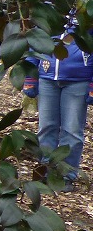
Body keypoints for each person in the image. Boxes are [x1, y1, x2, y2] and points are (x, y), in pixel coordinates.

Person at [22, 15, 93, 192]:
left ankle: (65, 176)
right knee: (46, 127)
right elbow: (37, 38)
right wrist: (30, 73)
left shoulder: (87, 8)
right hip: (47, 76)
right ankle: (45, 172)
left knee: (72, 130)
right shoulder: (49, 3)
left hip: (78, 79)